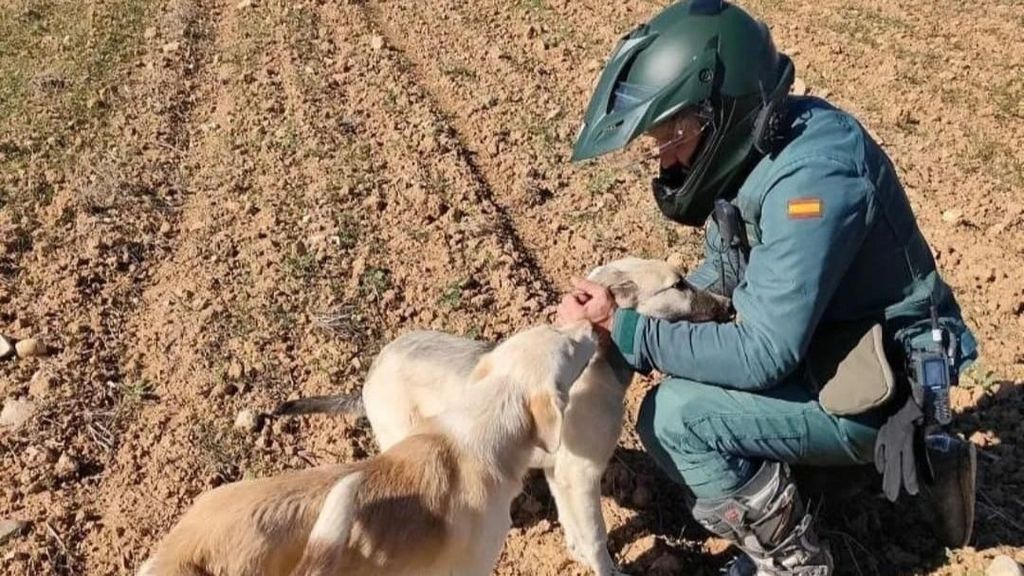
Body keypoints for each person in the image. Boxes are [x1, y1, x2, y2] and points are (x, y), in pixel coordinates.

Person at [555, 1, 980, 575]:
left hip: (887, 383)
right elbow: (724, 277)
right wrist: (636, 313)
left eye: (671, 134)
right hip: (834, 347)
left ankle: (794, 561)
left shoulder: (814, 181)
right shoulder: (757, 152)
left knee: (675, 416)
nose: (666, 157)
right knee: (692, 365)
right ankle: (920, 468)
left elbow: (762, 353)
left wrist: (631, 331)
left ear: (721, 110)